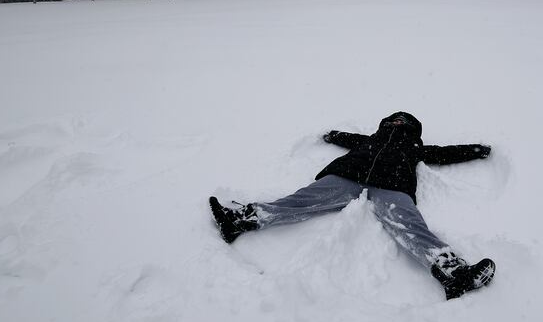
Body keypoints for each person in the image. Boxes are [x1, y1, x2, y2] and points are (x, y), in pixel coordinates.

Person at [209, 111, 496, 300]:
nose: (397, 124)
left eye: (402, 122)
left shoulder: (415, 148)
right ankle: (240, 220)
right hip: (348, 176)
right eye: (393, 121)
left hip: (391, 187)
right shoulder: (367, 140)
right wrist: (333, 135)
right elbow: (345, 138)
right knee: (301, 200)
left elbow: (446, 153)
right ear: (385, 125)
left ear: (411, 129)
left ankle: (455, 275)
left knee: (411, 226)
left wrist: (475, 150)